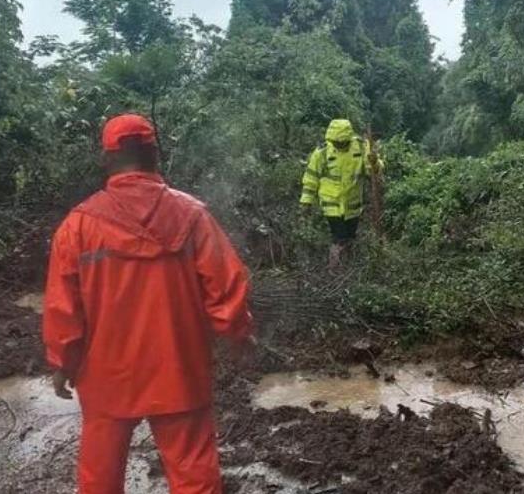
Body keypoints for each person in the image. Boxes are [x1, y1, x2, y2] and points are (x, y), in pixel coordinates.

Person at [43, 113, 254, 494]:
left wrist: (62, 362)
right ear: (155, 154)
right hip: (179, 369)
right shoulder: (192, 216)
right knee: (194, 473)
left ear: (107, 159)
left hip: (106, 374)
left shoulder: (78, 225)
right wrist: (236, 335)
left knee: (99, 477)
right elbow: (226, 289)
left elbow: (63, 308)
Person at [299, 118, 382, 268]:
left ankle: (347, 266)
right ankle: (335, 269)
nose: (340, 145)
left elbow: (374, 172)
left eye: (343, 142)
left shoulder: (361, 147)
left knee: (350, 237)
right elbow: (311, 178)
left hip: (353, 206)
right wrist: (306, 202)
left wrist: (374, 161)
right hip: (332, 206)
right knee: (340, 238)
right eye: (337, 142)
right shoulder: (322, 152)